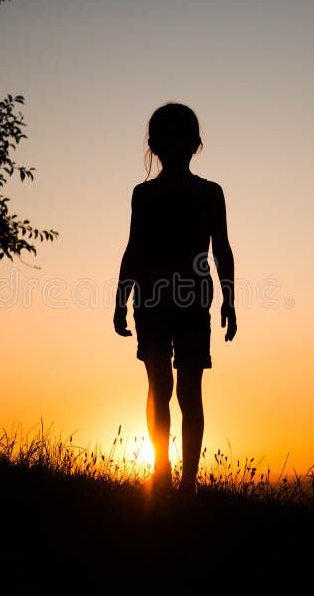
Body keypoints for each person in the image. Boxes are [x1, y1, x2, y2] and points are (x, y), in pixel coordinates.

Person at [114, 102, 237, 498]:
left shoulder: (150, 195)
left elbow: (136, 250)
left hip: (162, 301)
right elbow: (222, 252)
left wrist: (121, 300)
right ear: (195, 144)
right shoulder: (205, 193)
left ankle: (171, 480)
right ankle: (177, 482)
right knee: (182, 391)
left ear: (154, 144)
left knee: (164, 389)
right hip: (184, 302)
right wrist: (229, 301)